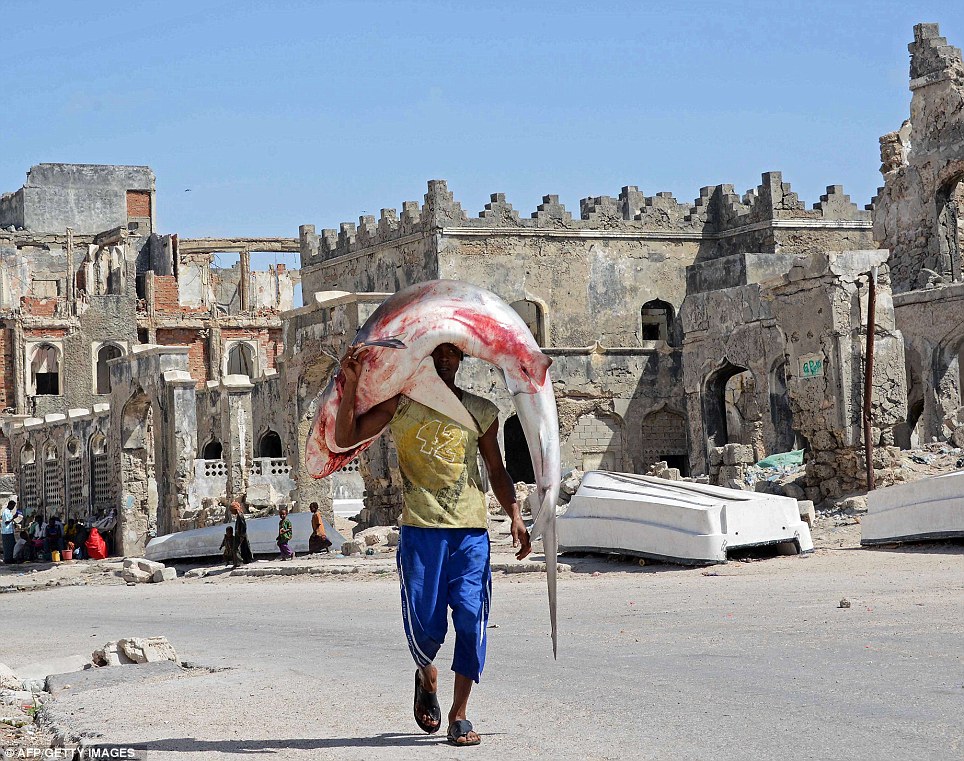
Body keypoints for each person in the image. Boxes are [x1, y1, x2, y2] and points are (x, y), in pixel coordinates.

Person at [334, 342, 531, 747]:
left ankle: (459, 715)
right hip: (421, 530)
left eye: (452, 352)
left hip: (470, 530)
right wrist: (351, 383)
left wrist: (514, 512)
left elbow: (496, 469)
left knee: (472, 620)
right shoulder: (401, 405)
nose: (444, 359)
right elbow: (345, 436)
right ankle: (426, 672)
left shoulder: (480, 411)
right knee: (425, 627)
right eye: (437, 352)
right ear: (424, 358)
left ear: (462, 358)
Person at [230, 502, 253, 566]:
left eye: (232, 510)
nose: (231, 512)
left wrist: (242, 535)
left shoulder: (240, 515)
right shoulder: (239, 516)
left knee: (236, 549)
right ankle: (245, 560)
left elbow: (243, 525)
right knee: (243, 548)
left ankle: (239, 562)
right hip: (240, 534)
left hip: (241, 535)